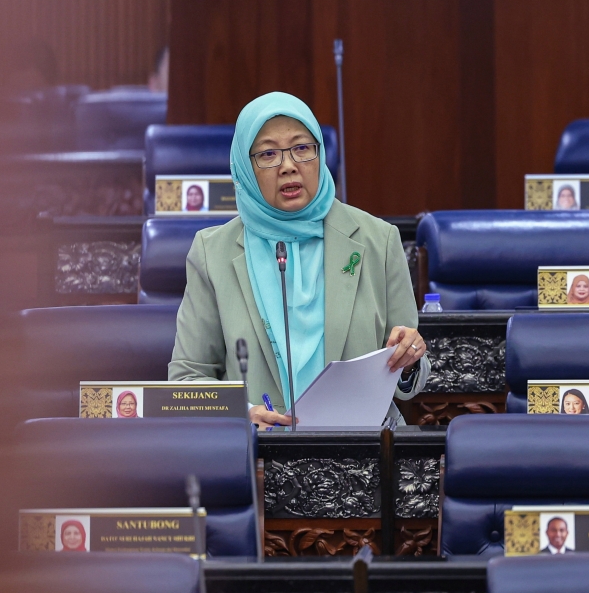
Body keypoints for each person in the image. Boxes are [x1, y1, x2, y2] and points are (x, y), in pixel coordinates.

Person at [167, 92, 429, 427]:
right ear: (244, 167)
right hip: (260, 449)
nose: (289, 166)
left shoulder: (379, 240)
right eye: (268, 154)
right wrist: (242, 414)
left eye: (302, 148)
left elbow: (408, 373)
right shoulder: (212, 253)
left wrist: (410, 360)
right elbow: (187, 380)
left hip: (364, 446)